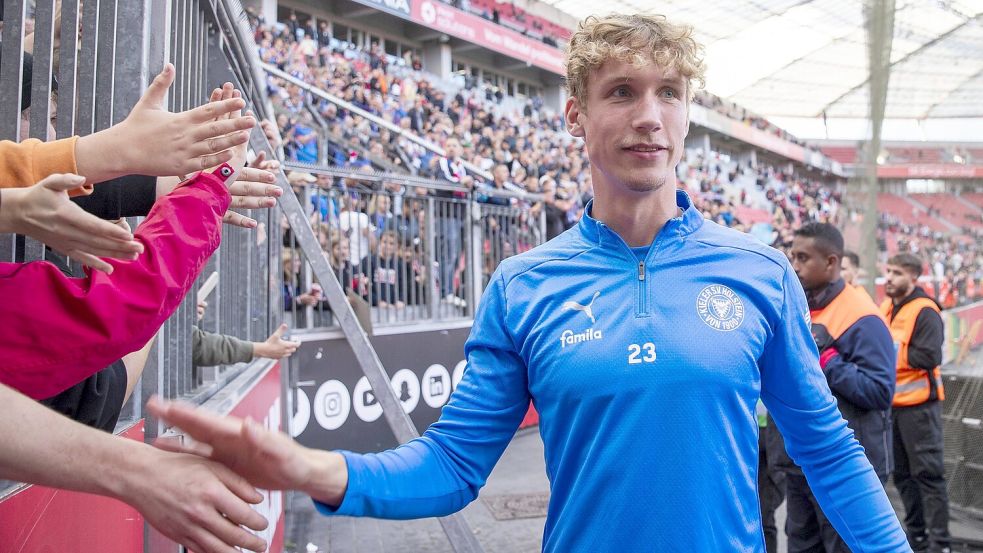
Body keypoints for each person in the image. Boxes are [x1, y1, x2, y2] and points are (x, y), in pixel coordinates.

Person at [148, 14, 908, 551]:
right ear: (575, 115)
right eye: (622, 92)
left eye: (668, 93)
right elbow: (450, 466)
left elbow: (828, 450)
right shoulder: (523, 284)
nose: (649, 116)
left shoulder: (757, 268)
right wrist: (306, 464)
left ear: (686, 115)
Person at [783, 223, 897, 552]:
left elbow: (879, 392)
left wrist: (829, 360)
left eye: (804, 258)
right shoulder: (797, 306)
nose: (795, 266)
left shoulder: (863, 316)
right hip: (800, 462)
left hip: (845, 466)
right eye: (793, 257)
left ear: (831, 263)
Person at [881, 253, 951, 553]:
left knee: (929, 475)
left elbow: (930, 356)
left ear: (913, 278)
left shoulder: (925, 311)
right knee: (903, 477)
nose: (890, 278)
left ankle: (940, 544)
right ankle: (917, 538)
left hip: (920, 408)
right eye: (888, 271)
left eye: (897, 273)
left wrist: (886, 353)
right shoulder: (886, 308)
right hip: (891, 407)